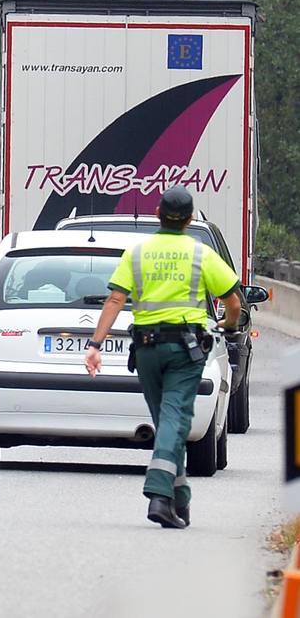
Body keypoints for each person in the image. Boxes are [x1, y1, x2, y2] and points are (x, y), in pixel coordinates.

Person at [84, 186, 242, 529]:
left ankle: (178, 503)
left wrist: (95, 344)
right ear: (189, 218)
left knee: (168, 421)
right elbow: (233, 302)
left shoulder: (138, 253)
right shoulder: (201, 255)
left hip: (146, 350)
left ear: (158, 213)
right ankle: (158, 492)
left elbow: (114, 301)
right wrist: (228, 326)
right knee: (174, 419)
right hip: (185, 350)